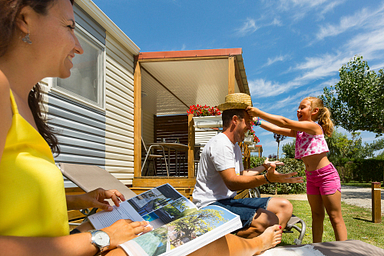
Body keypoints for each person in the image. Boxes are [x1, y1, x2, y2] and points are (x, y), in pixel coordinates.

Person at [0, 0, 282, 255]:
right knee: (181, 236)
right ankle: (255, 245)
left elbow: (14, 198)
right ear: (25, 19)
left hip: (61, 242)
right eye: (70, 27)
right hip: (68, 247)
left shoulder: (22, 103)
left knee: (187, 228)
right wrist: (101, 237)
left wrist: (79, 198)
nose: (79, 45)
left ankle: (253, 245)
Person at [192, 93, 304, 239]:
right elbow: (232, 182)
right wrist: (267, 179)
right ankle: (231, 245)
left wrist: (264, 166)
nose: (250, 127)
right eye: (248, 122)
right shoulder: (221, 143)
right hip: (211, 205)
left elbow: (241, 175)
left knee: (285, 206)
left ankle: (267, 244)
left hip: (228, 201)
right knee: (267, 220)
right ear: (235, 120)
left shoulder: (235, 146)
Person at [246, 96, 348, 243]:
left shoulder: (314, 127)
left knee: (334, 216)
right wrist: (257, 121)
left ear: (314, 111)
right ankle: (316, 248)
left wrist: (259, 113)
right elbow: (277, 128)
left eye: (302, 107)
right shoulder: (299, 132)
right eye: (298, 108)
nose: (298, 110)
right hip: (312, 178)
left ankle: (344, 251)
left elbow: (284, 122)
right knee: (317, 215)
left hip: (327, 176)